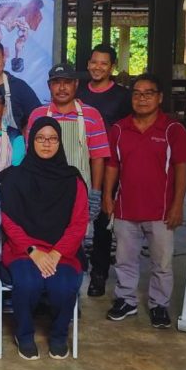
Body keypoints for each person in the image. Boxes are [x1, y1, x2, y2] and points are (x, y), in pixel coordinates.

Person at [103, 75, 186, 328]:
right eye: (137, 93)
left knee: (162, 263)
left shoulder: (173, 130)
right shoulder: (120, 129)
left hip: (161, 212)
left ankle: (159, 305)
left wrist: (177, 205)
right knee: (124, 260)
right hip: (125, 209)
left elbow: (181, 170)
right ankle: (126, 300)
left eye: (148, 93)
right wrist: (108, 196)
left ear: (159, 97)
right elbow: (112, 166)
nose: (142, 98)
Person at [0, 116, 88, 360]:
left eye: (52, 139)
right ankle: (24, 334)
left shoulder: (72, 179)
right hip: (23, 250)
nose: (46, 143)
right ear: (31, 141)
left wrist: (57, 253)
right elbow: (7, 219)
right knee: (28, 283)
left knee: (63, 286)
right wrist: (33, 251)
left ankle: (59, 335)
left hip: (63, 251)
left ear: (60, 143)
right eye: (40, 138)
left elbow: (79, 222)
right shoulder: (16, 177)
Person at [75, 45, 133, 297]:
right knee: (73, 217)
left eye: (104, 63)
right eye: (94, 62)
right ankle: (74, 267)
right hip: (78, 163)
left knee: (102, 218)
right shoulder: (77, 92)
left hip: (108, 166)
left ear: (112, 67)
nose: (97, 67)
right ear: (88, 64)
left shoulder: (122, 97)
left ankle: (99, 273)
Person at [26, 63, 110, 227]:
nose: (62, 88)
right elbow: (31, 157)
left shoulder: (92, 115)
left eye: (67, 82)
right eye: (57, 83)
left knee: (77, 238)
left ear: (76, 84)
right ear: (49, 86)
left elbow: (98, 158)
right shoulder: (37, 115)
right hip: (44, 191)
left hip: (80, 192)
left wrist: (95, 192)